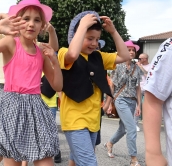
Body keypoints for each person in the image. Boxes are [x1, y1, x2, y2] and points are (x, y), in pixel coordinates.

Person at [0, 0, 62, 166]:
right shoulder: (10, 43)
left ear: (42, 26)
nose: (31, 24)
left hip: (36, 108)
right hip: (11, 106)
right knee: (12, 161)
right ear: (17, 22)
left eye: (37, 20)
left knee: (46, 160)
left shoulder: (41, 51)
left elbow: (58, 85)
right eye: (26, 18)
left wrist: (55, 62)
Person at [58, 11, 129, 166]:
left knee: (76, 160)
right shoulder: (64, 52)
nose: (94, 43)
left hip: (93, 120)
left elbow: (124, 56)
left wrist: (113, 31)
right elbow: (72, 54)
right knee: (89, 163)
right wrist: (82, 25)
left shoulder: (99, 57)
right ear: (77, 34)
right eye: (89, 38)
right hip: (74, 120)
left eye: (97, 39)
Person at [104, 40, 142, 166]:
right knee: (131, 129)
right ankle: (133, 159)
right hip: (120, 100)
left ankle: (109, 143)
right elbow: (112, 86)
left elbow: (138, 88)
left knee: (123, 129)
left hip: (132, 102)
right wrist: (109, 103)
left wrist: (139, 105)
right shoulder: (118, 65)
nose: (131, 52)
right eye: (129, 50)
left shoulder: (137, 68)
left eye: (133, 50)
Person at [143, 37, 172, 166]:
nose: (141, 60)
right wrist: (153, 154)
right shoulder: (169, 48)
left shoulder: (149, 65)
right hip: (126, 98)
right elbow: (152, 96)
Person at [135, 52, 151, 131]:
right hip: (138, 88)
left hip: (147, 89)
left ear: (145, 59)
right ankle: (135, 124)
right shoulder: (137, 66)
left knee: (147, 108)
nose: (139, 60)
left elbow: (148, 76)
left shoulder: (151, 66)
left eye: (140, 58)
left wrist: (140, 67)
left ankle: (148, 125)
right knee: (136, 107)